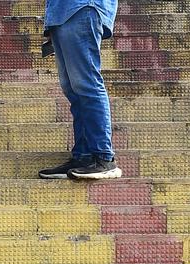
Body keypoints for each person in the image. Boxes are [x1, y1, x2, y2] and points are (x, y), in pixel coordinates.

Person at [37, 0, 121, 179]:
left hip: (82, 8)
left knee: (87, 84)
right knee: (73, 89)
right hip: (62, 14)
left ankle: (103, 157)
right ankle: (83, 156)